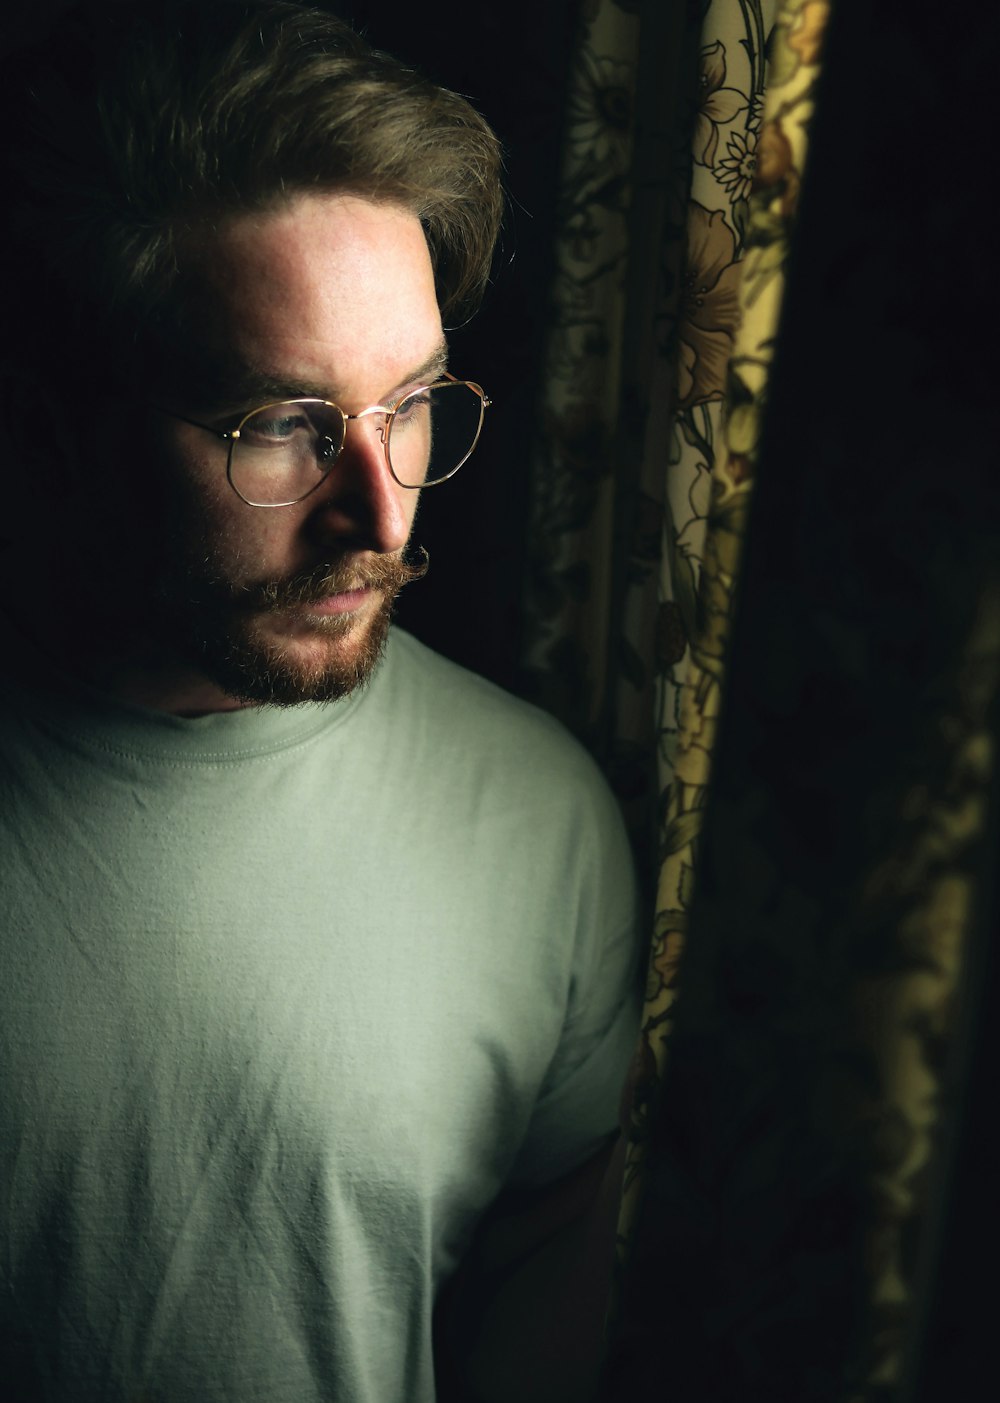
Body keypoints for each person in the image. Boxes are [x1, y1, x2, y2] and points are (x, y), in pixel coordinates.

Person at [0, 4, 643, 1400]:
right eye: (281, 426)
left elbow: (546, 1284)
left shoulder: (539, 821)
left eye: (410, 403)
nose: (379, 508)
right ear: (56, 422)